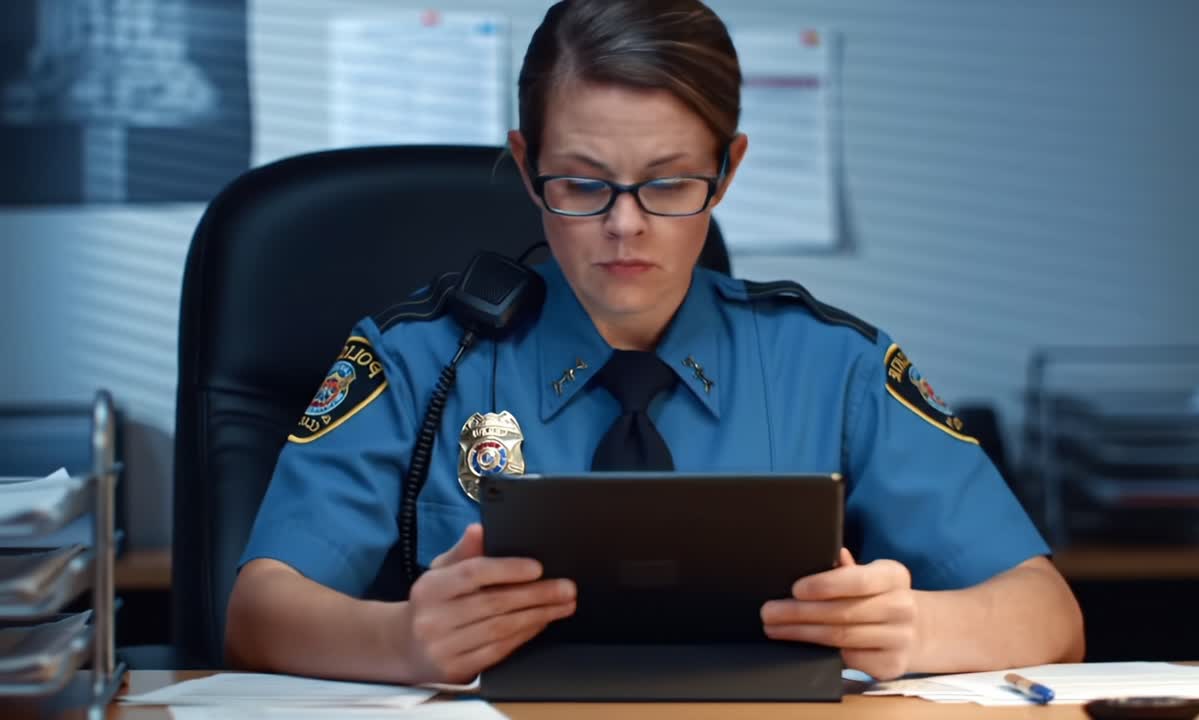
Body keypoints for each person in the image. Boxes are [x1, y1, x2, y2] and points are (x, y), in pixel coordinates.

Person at [225, 0, 1084, 685]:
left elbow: (1049, 614)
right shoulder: (419, 358)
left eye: (670, 182)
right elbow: (258, 613)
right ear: (526, 168)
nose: (625, 226)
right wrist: (402, 639)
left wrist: (915, 627)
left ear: (730, 168)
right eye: (583, 184)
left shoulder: (832, 364)